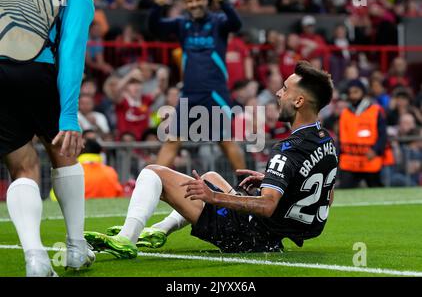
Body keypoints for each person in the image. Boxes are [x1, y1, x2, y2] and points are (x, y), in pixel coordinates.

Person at [84, 61, 338, 257]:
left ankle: (126, 240)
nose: (277, 93)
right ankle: (159, 229)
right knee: (211, 177)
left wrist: (214, 197)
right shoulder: (325, 141)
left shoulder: (287, 148)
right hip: (271, 235)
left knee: (153, 172)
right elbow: (326, 193)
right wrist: (274, 180)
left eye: (284, 89)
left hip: (246, 235)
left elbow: (268, 206)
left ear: (299, 100)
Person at [0, 0, 95, 276]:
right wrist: (68, 116)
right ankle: (77, 248)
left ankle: (36, 259)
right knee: (63, 154)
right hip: (38, 70)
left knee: (22, 168)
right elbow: (71, 53)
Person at [148, 0, 247, 173]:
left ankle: (248, 187)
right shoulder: (181, 24)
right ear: (185, 4)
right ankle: (150, 185)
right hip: (189, 94)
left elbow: (236, 24)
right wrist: (157, 7)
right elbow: (156, 28)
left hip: (215, 93)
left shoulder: (218, 21)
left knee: (225, 141)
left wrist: (224, 1)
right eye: (189, 1)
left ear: (205, 0)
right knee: (172, 140)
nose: (194, 4)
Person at [338, 80, 390, 188]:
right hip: (349, 162)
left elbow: (383, 135)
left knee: (376, 193)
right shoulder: (344, 113)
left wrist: (375, 150)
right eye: (350, 93)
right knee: (345, 193)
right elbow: (341, 137)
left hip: (370, 159)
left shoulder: (375, 111)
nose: (352, 96)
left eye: (356, 92)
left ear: (363, 93)